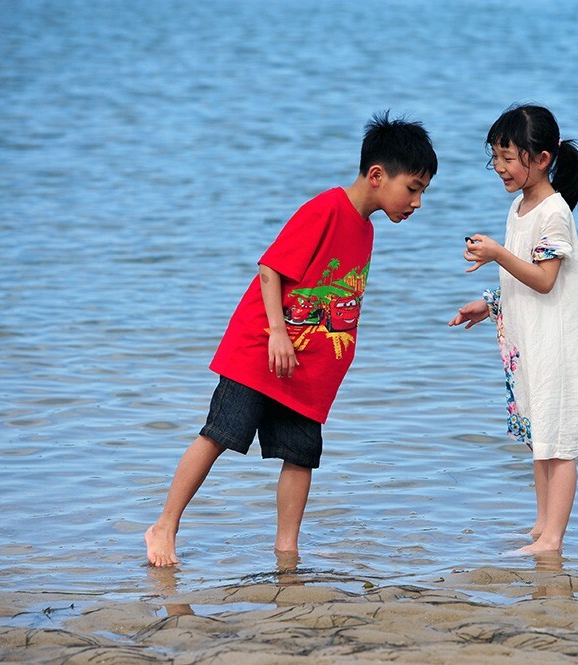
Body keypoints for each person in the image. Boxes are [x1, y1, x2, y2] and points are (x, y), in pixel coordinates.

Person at [145, 111, 438, 566]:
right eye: (414, 189)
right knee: (219, 434)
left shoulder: (366, 229)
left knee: (301, 456)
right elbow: (270, 268)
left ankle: (287, 548)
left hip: (307, 370)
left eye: (422, 192)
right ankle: (164, 526)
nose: (417, 202)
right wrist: (278, 334)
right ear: (378, 176)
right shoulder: (325, 209)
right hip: (260, 352)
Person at [449, 104, 578, 554]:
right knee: (541, 436)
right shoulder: (519, 207)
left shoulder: (553, 211)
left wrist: (495, 254)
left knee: (561, 443)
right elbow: (521, 279)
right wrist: (489, 304)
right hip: (531, 343)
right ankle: (540, 525)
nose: (500, 167)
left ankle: (553, 539)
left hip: (560, 345)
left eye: (509, 158)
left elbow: (546, 280)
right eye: (495, 157)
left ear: (542, 158)